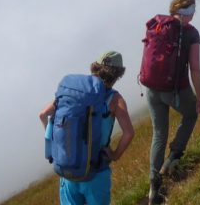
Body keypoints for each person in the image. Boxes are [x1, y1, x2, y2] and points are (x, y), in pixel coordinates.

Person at [40, 51, 135, 205]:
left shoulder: (74, 93)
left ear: (96, 67)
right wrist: (115, 155)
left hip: (68, 170)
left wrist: (55, 142)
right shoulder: (115, 99)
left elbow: (43, 114)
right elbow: (129, 133)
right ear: (118, 74)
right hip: (96, 170)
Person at [141, 0, 200, 205]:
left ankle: (153, 188)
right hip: (175, 89)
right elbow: (194, 68)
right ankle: (174, 156)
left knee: (159, 133)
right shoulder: (190, 33)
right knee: (191, 114)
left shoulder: (158, 26)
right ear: (188, 14)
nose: (194, 15)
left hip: (151, 88)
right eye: (193, 11)